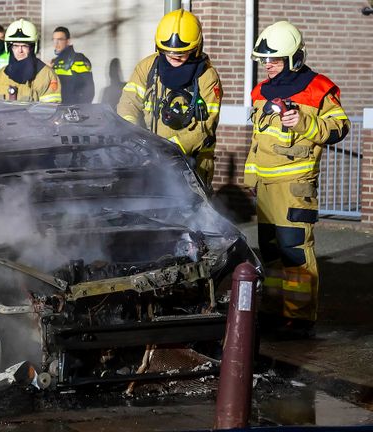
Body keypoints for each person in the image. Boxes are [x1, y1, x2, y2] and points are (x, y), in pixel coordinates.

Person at [245, 21, 349, 339]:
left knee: (295, 251)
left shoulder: (318, 89)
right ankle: (276, 309)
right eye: (265, 61)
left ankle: (300, 317)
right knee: (272, 251)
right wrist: (251, 174)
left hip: (295, 186)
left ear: (294, 59)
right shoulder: (262, 92)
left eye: (274, 61)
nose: (268, 67)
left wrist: (304, 121)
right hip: (266, 187)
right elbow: (257, 137)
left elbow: (340, 128)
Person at [116, 9, 222, 187]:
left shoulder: (207, 77)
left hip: (191, 163)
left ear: (196, 48)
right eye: (168, 52)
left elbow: (205, 127)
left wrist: (166, 150)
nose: (174, 57)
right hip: (149, 161)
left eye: (182, 53)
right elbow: (128, 104)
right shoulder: (148, 67)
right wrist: (132, 138)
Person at [0, 19, 61, 103]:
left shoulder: (47, 75)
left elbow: (50, 111)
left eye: (24, 46)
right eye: (16, 46)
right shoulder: (1, 74)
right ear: (9, 48)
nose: (20, 50)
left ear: (33, 48)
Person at [50, 26, 94, 104]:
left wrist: (78, 111)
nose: (56, 43)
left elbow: (88, 91)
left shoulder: (79, 60)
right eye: (54, 40)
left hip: (72, 111)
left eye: (59, 39)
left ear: (68, 41)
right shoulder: (54, 62)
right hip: (56, 110)